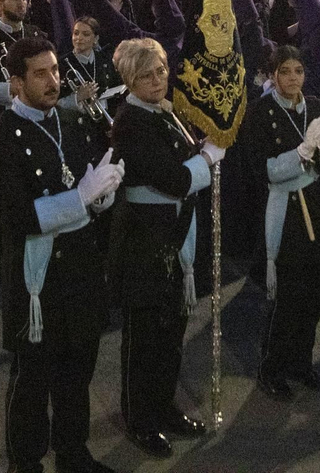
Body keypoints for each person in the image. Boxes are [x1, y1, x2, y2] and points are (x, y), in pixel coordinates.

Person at [0, 37, 123, 473]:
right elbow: (13, 215)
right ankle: (25, 463)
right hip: (35, 273)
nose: (53, 80)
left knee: (78, 369)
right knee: (32, 378)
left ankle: (73, 453)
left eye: (56, 70)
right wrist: (80, 199)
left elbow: (90, 182)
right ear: (16, 82)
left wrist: (101, 195)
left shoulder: (73, 121)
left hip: (79, 263)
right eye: (40, 74)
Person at [107, 36, 222, 457]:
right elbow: (173, 179)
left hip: (175, 232)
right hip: (144, 238)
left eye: (159, 71)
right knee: (144, 337)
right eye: (145, 75)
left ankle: (164, 405)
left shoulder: (163, 112)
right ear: (129, 80)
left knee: (172, 329)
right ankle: (140, 418)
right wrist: (210, 158)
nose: (156, 80)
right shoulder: (131, 121)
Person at [249, 45, 320, 400]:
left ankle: (301, 362)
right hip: (287, 210)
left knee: (315, 293)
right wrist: (300, 153)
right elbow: (266, 170)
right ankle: (272, 367)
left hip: (319, 208)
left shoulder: (317, 108)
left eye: (298, 71)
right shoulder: (261, 113)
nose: (293, 78)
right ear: (273, 75)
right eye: (285, 72)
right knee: (288, 295)